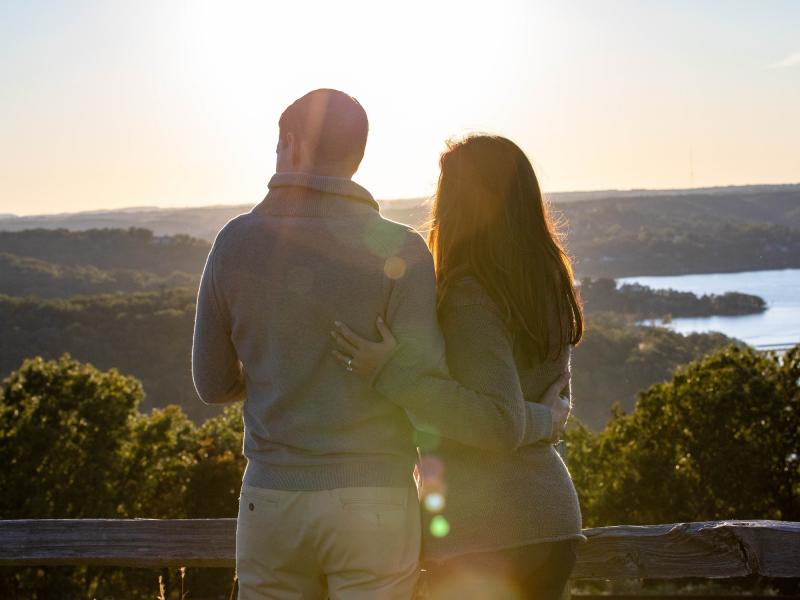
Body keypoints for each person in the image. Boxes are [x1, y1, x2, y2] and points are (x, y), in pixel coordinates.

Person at [192, 91, 568, 599]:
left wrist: (276, 370)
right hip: (377, 497)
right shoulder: (403, 250)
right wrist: (542, 419)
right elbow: (429, 382)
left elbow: (212, 384)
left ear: (290, 142)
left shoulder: (234, 242)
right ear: (357, 155)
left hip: (272, 493)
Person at [332, 134, 585, 600]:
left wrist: (393, 374)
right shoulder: (546, 283)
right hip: (548, 521)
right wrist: (545, 419)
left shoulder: (473, 296)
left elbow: (497, 421)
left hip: (489, 536)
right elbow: (525, 410)